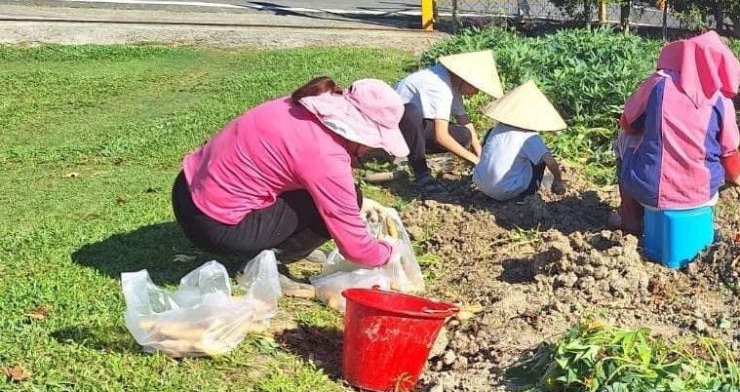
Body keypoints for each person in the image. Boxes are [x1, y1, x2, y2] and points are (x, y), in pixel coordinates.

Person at [172, 77, 406, 268]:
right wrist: (390, 251)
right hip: (216, 225)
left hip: (187, 189)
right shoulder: (326, 156)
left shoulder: (300, 104)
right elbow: (357, 249)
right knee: (350, 198)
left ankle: (280, 249)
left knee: (344, 197)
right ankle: (268, 264)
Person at [615, 31, 740, 235]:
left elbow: (627, 123)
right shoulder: (722, 100)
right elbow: (729, 152)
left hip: (649, 193)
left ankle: (630, 219)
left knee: (624, 138)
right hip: (702, 196)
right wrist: (736, 177)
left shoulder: (658, 83)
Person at [393, 51, 504, 188]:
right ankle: (420, 172)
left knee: (463, 135)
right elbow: (441, 136)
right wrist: (474, 160)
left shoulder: (453, 83)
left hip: (417, 128)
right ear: (466, 79)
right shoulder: (439, 86)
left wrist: (481, 157)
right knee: (411, 113)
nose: (476, 93)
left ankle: (414, 150)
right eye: (476, 88)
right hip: (397, 129)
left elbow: (464, 121)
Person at [471, 81, 568, 202]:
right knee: (540, 159)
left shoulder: (495, 130)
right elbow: (551, 162)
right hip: (504, 191)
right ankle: (525, 196)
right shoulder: (529, 136)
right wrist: (558, 179)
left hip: (481, 183)